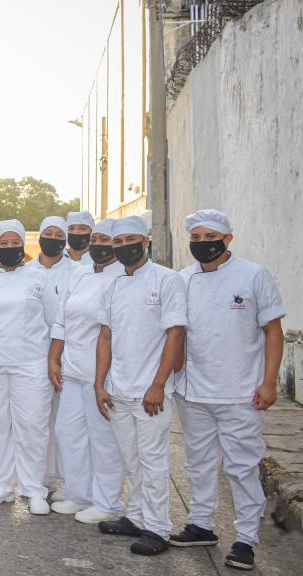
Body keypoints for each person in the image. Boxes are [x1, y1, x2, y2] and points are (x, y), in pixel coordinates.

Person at [170, 210, 284, 571]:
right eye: (197, 238)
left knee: (242, 467)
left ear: (228, 239)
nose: (203, 244)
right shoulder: (183, 279)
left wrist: (269, 381)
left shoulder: (253, 275)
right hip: (193, 391)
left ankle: (246, 538)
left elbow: (273, 331)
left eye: (210, 237)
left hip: (240, 391)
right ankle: (201, 524)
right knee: (199, 464)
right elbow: (176, 332)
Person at [93, 215, 187, 557]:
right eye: (117, 242)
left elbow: (175, 333)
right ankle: (134, 517)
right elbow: (105, 335)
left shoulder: (167, 280)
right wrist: (98, 383)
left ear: (145, 242)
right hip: (118, 389)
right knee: (131, 459)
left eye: (129, 241)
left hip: (151, 392)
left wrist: (159, 384)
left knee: (153, 460)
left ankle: (158, 528)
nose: (123, 247)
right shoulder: (113, 283)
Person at [0, 219, 60, 514]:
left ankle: (34, 489)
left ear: (22, 246)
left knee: (32, 426)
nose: (9, 248)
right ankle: (2, 485)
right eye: (3, 243)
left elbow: (57, 324)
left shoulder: (39, 279)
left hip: (30, 365)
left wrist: (53, 360)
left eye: (15, 243)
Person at [47, 218, 124, 523]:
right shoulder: (81, 274)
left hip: (102, 376)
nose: (101, 245)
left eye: (108, 239)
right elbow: (62, 319)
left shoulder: (122, 278)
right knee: (68, 434)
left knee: (102, 439)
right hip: (73, 369)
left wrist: (102, 378)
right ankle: (79, 495)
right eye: (98, 238)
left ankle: (107, 503)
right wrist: (54, 358)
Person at [28, 215, 75, 502]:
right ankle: (42, 478)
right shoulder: (27, 271)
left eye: (59, 234)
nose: (54, 238)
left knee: (65, 423)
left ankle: (67, 481)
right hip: (33, 356)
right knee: (39, 420)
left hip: (70, 356)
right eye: (49, 233)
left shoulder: (78, 271)